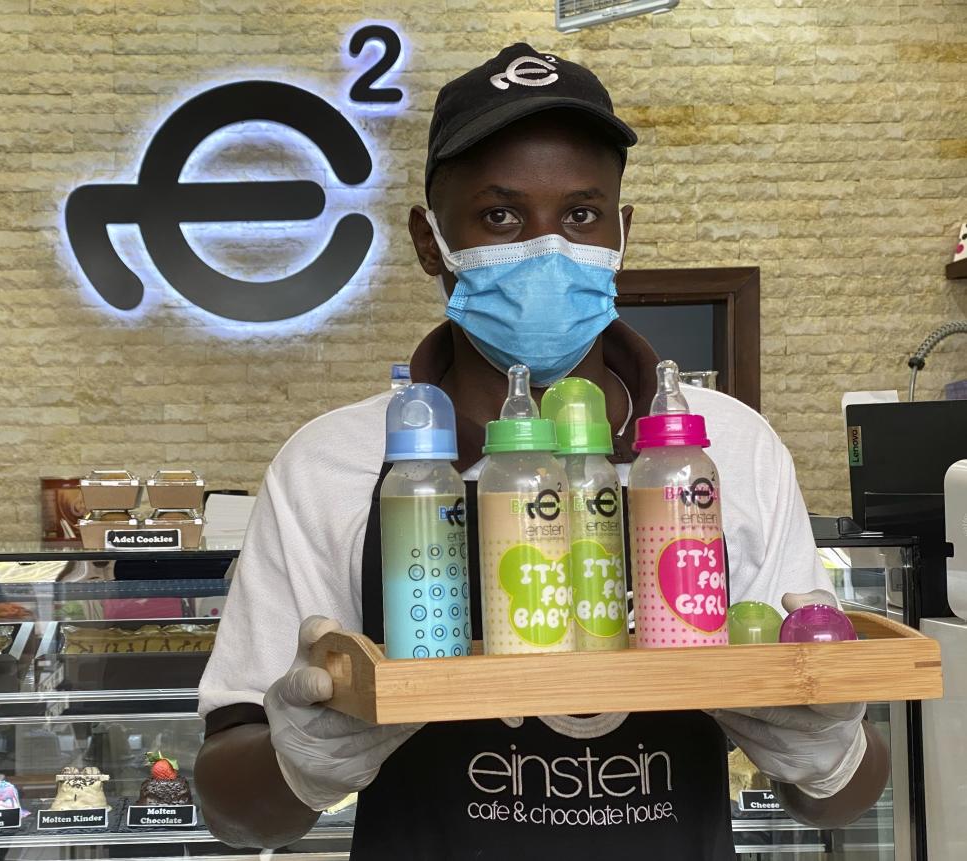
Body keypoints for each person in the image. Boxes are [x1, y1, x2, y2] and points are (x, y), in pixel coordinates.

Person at [194, 45, 889, 859]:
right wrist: (300, 763)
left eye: (582, 215)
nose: (547, 247)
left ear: (621, 234)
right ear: (429, 241)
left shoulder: (729, 448)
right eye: (500, 216)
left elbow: (837, 802)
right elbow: (233, 807)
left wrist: (823, 750)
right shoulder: (330, 463)